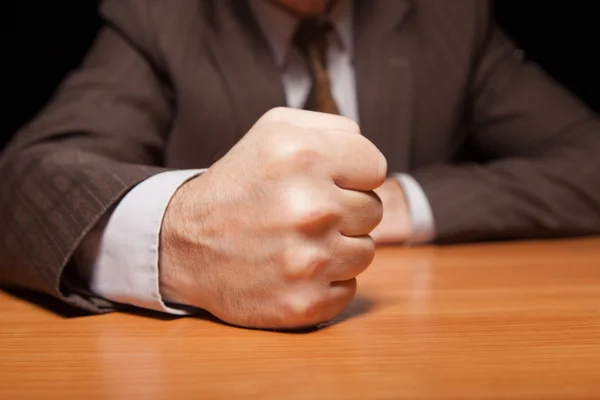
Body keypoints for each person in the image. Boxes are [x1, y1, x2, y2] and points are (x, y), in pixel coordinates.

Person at [1, 0, 599, 329]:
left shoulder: (450, 17)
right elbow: (24, 184)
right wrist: (182, 235)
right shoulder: (159, 16)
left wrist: (406, 202)